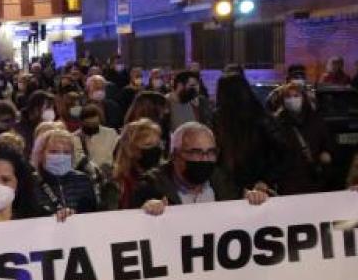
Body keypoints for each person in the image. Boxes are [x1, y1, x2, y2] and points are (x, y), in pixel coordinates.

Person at [132, 122, 270, 213]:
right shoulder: (151, 186)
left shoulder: (225, 183)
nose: (205, 159)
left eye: (211, 152)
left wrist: (255, 197)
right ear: (174, 155)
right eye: (195, 152)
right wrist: (144, 212)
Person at [213, 74, 278, 195]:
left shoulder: (219, 119)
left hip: (234, 187)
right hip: (257, 185)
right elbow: (278, 153)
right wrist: (266, 179)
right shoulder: (262, 116)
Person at [268, 82, 333, 195]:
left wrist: (326, 153)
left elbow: (327, 143)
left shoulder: (315, 119)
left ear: (303, 98)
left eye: (296, 96)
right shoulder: (277, 123)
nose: (292, 100)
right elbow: (271, 151)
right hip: (288, 181)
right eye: (288, 96)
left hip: (313, 179)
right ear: (283, 100)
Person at [32, 129, 99, 215]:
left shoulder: (83, 180)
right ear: (41, 154)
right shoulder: (31, 182)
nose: (61, 156)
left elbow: (93, 214)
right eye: (54, 152)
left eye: (66, 152)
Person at [70, 103, 120, 174]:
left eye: (94, 124)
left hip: (108, 174)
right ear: (82, 122)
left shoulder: (111, 133)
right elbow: (77, 159)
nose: (91, 127)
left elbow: (118, 154)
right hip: (86, 176)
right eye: (88, 124)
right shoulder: (74, 137)